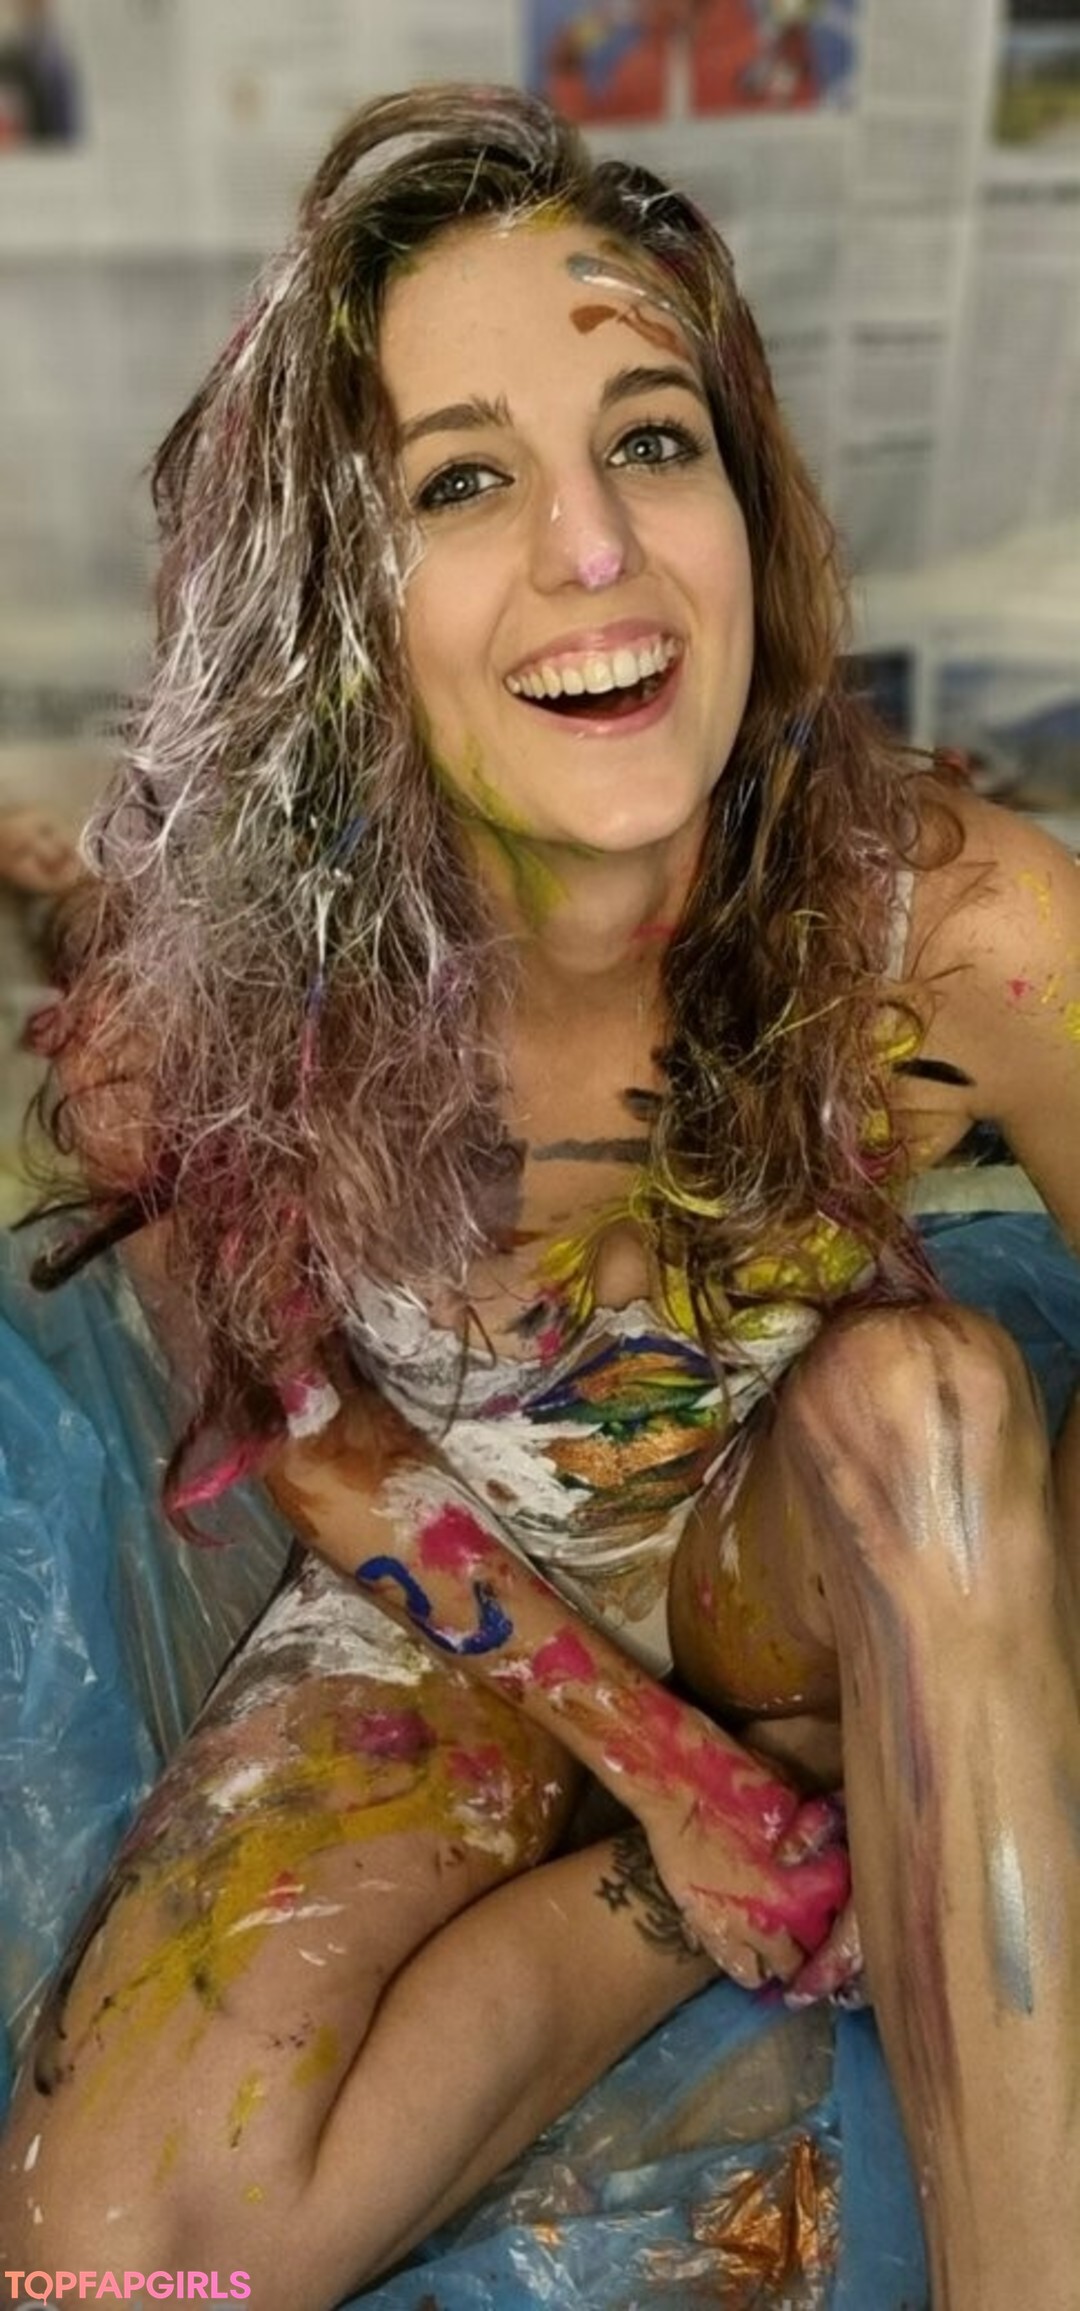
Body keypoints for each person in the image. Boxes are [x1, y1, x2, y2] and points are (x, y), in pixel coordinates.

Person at [0, 82, 1078, 2311]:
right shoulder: (213, 996)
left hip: (785, 1540)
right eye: (462, 479)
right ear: (331, 601)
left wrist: (1011, 1674)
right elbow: (302, 1424)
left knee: (935, 1414)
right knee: (104, 2269)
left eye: (652, 441)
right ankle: (744, 1848)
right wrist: (683, 1801)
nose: (596, 552)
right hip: (450, 1594)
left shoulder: (964, 930)